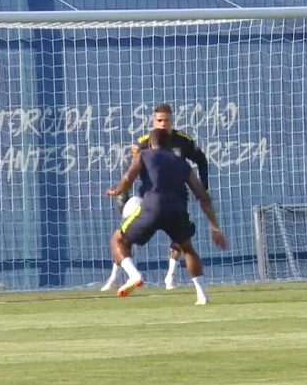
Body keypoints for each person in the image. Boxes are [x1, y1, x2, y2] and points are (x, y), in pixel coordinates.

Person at [95, 103, 210, 292]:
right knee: (124, 236)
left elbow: (201, 160)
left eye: (166, 120)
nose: (163, 124)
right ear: (153, 121)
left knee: (181, 240)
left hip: (177, 196)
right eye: (159, 120)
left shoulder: (184, 141)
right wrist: (122, 193)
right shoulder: (143, 143)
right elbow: (130, 170)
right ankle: (115, 276)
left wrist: (204, 186)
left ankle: (171, 276)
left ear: (172, 121)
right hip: (150, 199)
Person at [105, 128, 226, 304]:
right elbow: (202, 196)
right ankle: (202, 295)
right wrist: (214, 226)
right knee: (187, 248)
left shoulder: (144, 155)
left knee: (118, 239)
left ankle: (133, 275)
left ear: (151, 144)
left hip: (151, 207)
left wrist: (118, 190)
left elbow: (128, 177)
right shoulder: (182, 163)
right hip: (177, 210)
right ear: (170, 145)